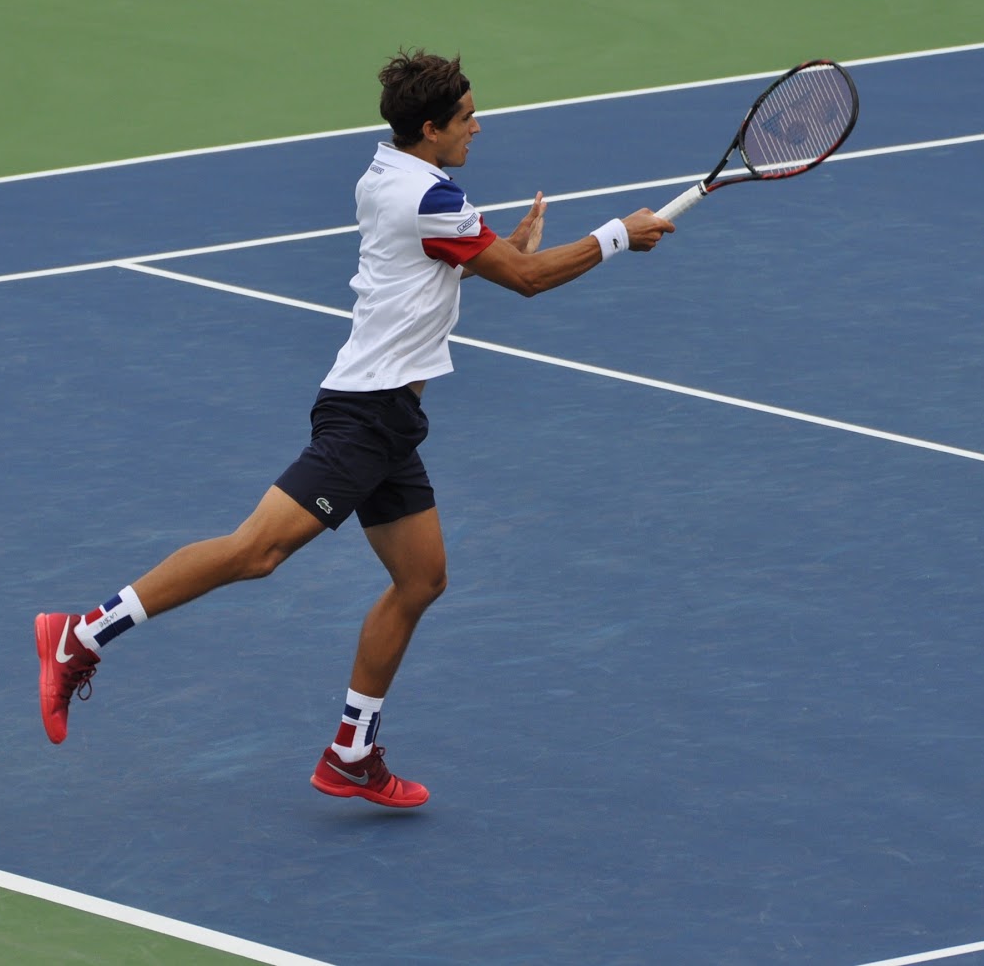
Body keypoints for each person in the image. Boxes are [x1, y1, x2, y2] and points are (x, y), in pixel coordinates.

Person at [35, 49, 673, 808]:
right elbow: (526, 280)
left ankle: (351, 752)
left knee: (421, 577)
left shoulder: (385, 174)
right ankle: (79, 635)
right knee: (256, 551)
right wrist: (616, 235)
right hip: (363, 415)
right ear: (430, 128)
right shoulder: (436, 199)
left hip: (390, 417)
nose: (479, 126)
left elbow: (442, 267)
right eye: (467, 117)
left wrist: (500, 255)